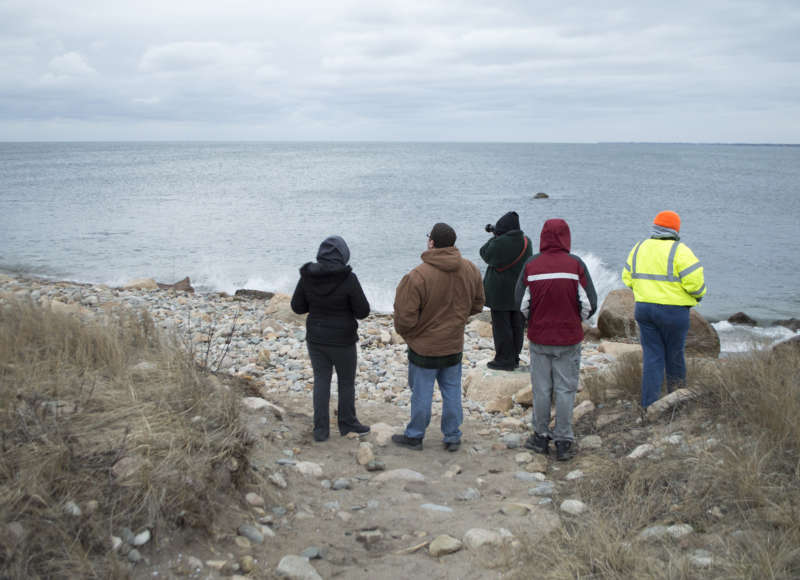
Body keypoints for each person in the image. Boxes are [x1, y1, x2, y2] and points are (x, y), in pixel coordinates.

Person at [392, 223, 485, 452]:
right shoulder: (470, 269)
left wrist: (412, 334)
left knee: (422, 392)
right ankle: (452, 436)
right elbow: (478, 304)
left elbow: (404, 317)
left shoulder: (417, 276)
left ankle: (415, 436)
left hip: (424, 347)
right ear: (453, 243)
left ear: (431, 242)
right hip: (453, 343)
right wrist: (458, 320)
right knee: (451, 391)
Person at [515, 219, 597, 461]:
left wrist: (534, 320)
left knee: (541, 390)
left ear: (543, 237)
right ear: (566, 237)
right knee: (565, 389)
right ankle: (563, 440)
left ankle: (540, 437)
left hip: (540, 338)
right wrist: (574, 319)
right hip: (568, 339)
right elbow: (589, 304)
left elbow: (521, 304)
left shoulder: (532, 265)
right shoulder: (575, 265)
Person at [622, 210, 706, 411]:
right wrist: (696, 297)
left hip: (644, 310)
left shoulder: (639, 248)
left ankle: (648, 406)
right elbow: (696, 284)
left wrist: (644, 292)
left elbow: (627, 278)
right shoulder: (681, 251)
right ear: (676, 229)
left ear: (655, 227)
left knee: (653, 356)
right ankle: (677, 403)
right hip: (674, 312)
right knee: (675, 356)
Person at [290, 235, 371, 442]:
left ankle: (321, 430)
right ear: (344, 255)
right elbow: (362, 311)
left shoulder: (308, 276)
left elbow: (297, 307)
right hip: (343, 340)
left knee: (321, 381)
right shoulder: (348, 278)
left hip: (316, 339)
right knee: (346, 383)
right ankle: (347, 424)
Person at [480, 211, 533, 371]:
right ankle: (514, 357)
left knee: (501, 326)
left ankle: (504, 359)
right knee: (517, 325)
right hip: (520, 291)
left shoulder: (501, 242)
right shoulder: (526, 241)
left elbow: (484, 253)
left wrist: (495, 237)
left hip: (500, 293)